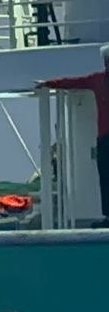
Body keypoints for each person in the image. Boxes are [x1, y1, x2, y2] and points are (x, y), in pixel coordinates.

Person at [37, 48, 109, 221]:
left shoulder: (98, 80)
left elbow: (75, 81)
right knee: (105, 177)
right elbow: (73, 82)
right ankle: (108, 215)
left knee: (106, 177)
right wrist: (49, 83)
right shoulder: (97, 80)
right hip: (104, 137)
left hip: (105, 136)